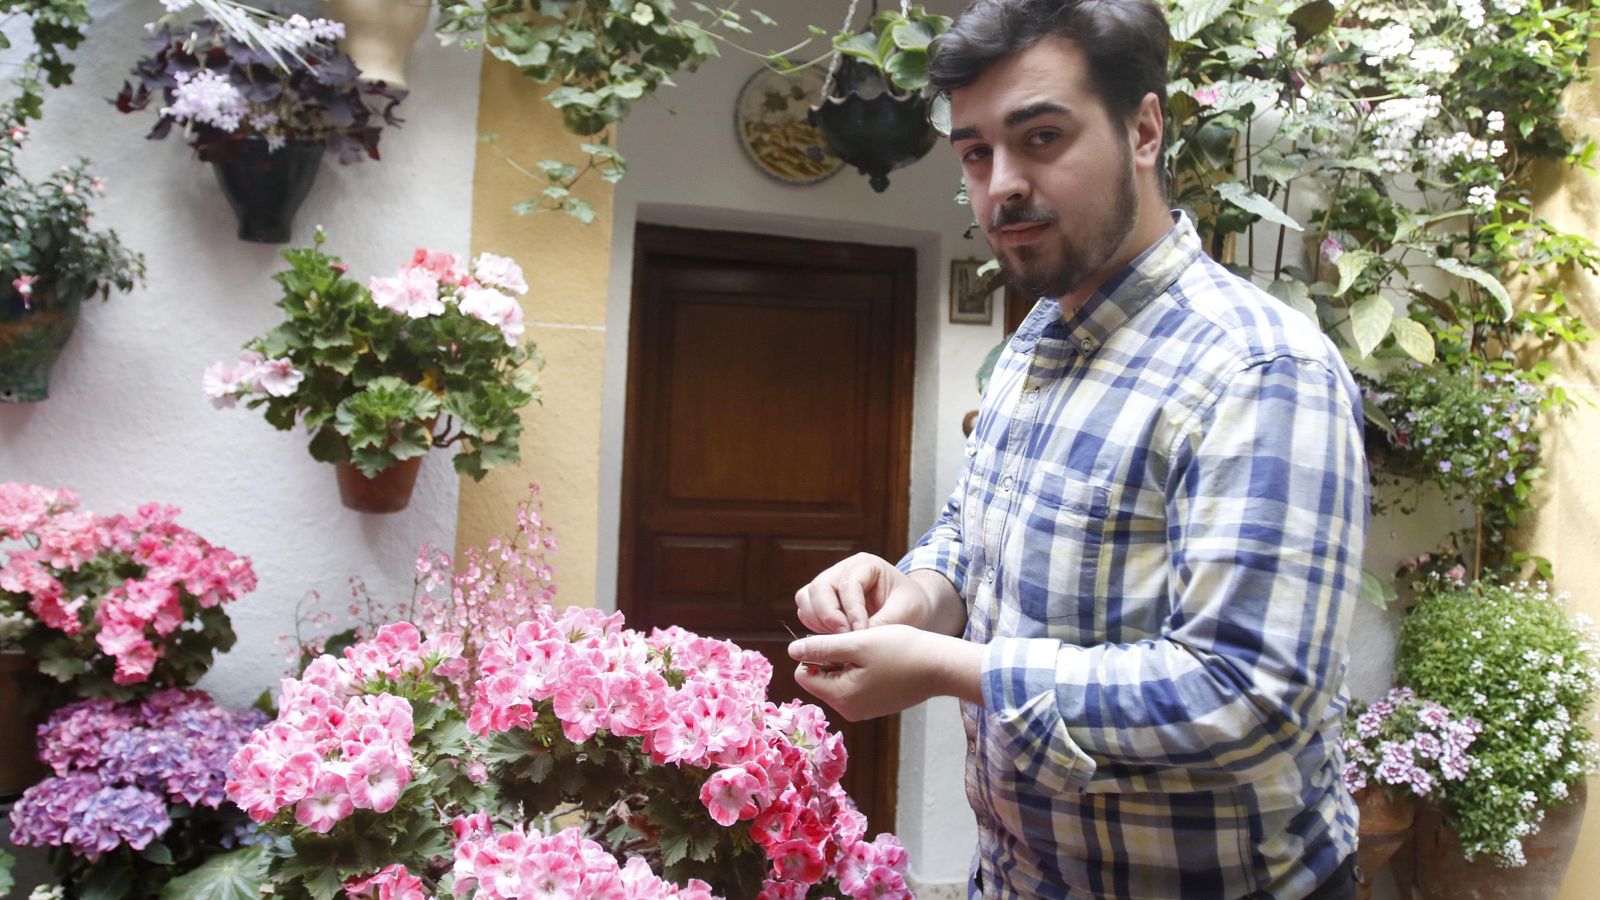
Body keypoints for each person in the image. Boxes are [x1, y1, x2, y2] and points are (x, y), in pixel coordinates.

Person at [787, 1, 1368, 898]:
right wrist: (916, 591)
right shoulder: (1037, 337)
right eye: (977, 153)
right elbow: (975, 531)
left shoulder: (1260, 368)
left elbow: (1244, 695)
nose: (1003, 184)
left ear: (1143, 129)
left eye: (1042, 136)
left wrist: (947, 667)